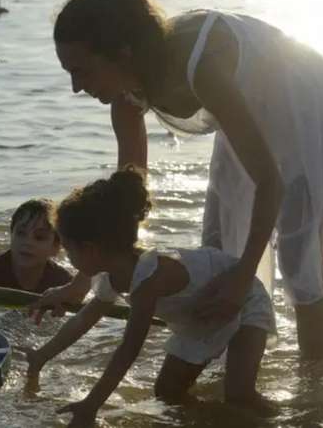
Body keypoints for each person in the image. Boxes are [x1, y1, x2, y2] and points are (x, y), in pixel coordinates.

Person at [32, 0, 323, 359]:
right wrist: (84, 281)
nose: (76, 87)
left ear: (122, 52)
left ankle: (319, 396)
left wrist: (242, 278)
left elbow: (270, 182)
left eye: (81, 70)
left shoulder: (201, 66)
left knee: (299, 263)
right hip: (246, 112)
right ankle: (236, 374)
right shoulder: (125, 98)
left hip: (305, 101)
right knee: (218, 252)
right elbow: (124, 202)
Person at [27, 167, 276, 427]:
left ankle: (289, 419)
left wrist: (91, 404)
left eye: (68, 249)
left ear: (90, 249)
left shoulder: (148, 280)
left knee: (240, 395)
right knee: (168, 392)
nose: (66, 257)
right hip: (198, 317)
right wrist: (42, 356)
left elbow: (129, 349)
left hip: (242, 298)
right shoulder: (110, 274)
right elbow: (83, 319)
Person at [0, 199, 74, 294]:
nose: (27, 242)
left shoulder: (61, 280)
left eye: (39, 237)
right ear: (11, 236)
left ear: (55, 247)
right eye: (21, 233)